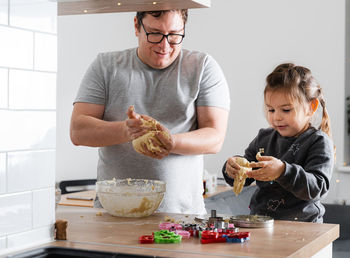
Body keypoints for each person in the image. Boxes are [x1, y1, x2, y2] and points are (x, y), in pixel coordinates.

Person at [70, 9, 230, 214]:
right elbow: (78, 131)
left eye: (174, 35)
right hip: (113, 215)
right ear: (137, 26)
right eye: (155, 34)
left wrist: (170, 142)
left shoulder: (203, 67)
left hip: (183, 216)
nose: (164, 46)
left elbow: (215, 138)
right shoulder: (106, 66)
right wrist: (128, 130)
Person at [222, 63, 334, 222]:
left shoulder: (318, 142)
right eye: (271, 110)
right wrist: (233, 168)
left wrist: (283, 171)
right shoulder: (264, 138)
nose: (276, 117)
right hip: (261, 223)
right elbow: (246, 176)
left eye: (286, 110)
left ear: (311, 107)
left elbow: (317, 188)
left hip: (305, 228)